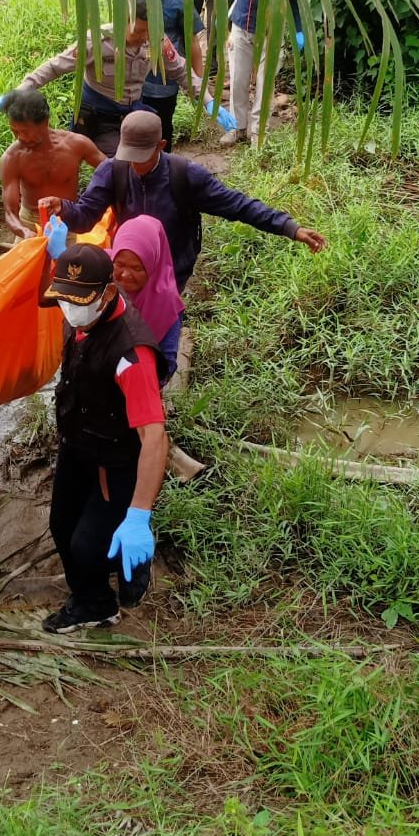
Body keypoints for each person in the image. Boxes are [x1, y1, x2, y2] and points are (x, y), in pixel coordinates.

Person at [40, 108, 327, 292]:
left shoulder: (185, 175)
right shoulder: (112, 170)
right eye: (130, 157)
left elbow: (238, 205)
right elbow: (86, 217)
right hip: (128, 265)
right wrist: (64, 208)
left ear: (161, 146)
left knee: (162, 324)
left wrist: (290, 228)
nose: (135, 165)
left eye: (142, 157)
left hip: (173, 268)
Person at [41, 242, 168, 632]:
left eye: (80, 300)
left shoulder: (132, 354)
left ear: (109, 293)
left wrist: (139, 514)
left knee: (87, 543)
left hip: (116, 460)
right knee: (61, 525)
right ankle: (94, 595)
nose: (69, 308)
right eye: (64, 298)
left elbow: (154, 436)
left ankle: (99, 598)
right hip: (78, 444)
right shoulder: (77, 315)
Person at [0, 0, 235, 154]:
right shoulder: (96, 41)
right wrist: (19, 90)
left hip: (127, 114)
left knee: (133, 158)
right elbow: (54, 66)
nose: (143, 38)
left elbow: (181, 71)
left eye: (149, 32)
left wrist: (209, 101)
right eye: (138, 31)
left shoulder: (157, 41)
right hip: (94, 114)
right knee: (100, 160)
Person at [223, 0, 307, 148]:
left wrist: (299, 28)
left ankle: (258, 134)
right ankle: (237, 127)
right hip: (241, 23)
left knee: (265, 84)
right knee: (237, 80)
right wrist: (223, 19)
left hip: (272, 29)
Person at [0, 88, 105, 240]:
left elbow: (111, 171)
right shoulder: (12, 158)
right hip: (30, 223)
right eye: (15, 131)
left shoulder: (76, 145)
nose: (20, 137)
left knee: (68, 264)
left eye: (26, 132)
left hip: (66, 221)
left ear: (45, 123)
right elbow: (10, 212)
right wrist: (23, 231)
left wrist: (93, 203)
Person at [135, 0, 205, 149]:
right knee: (136, 131)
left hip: (163, 83)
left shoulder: (179, 1)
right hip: (133, 81)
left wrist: (198, 87)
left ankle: (162, 169)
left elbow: (192, 42)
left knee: (161, 128)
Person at [109, 215, 185, 385]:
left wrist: (137, 385)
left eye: (137, 267)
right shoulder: (102, 275)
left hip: (139, 384)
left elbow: (167, 363)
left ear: (152, 265)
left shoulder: (166, 303)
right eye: (119, 264)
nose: (125, 275)